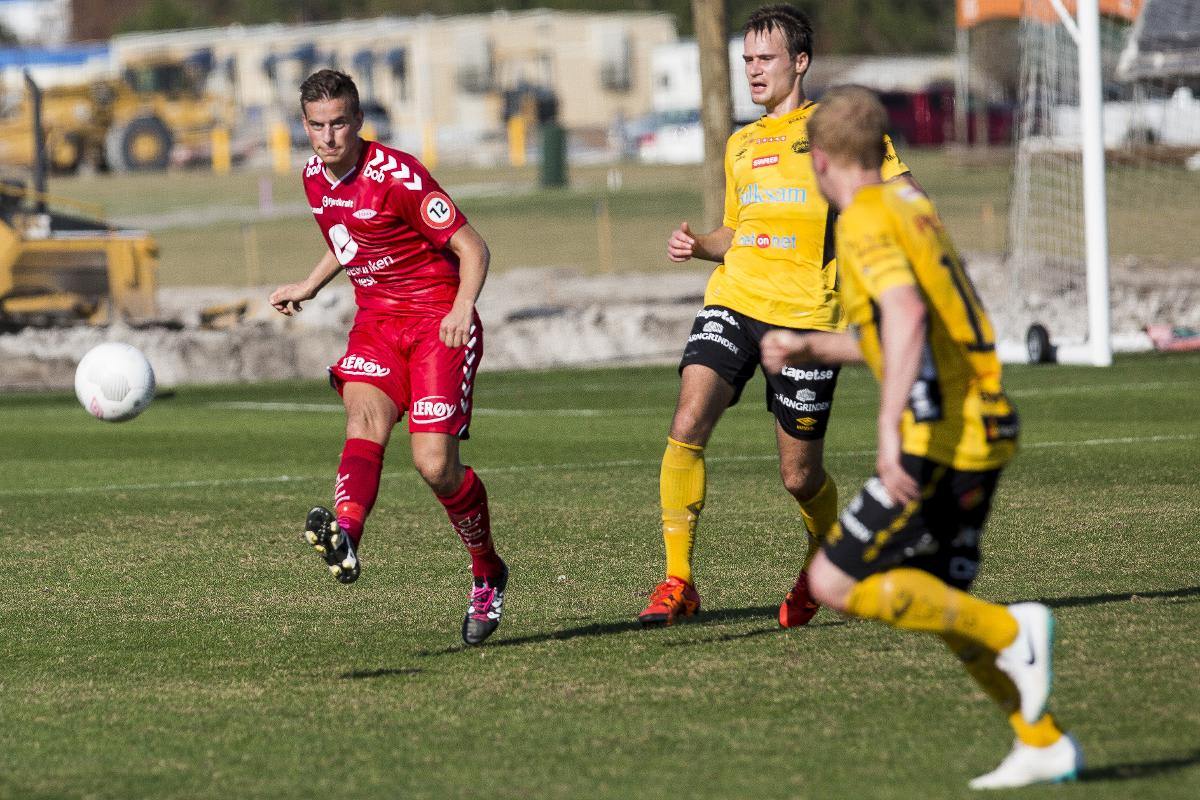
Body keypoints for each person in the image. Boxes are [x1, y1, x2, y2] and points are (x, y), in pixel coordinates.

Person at [760, 85, 1082, 789]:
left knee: (833, 580)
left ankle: (1015, 631)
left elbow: (904, 316)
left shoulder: (863, 219)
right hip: (983, 426)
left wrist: (887, 429)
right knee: (940, 604)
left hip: (941, 436)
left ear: (820, 161)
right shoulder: (910, 204)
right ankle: (1042, 740)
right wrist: (811, 345)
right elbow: (904, 329)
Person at [639, 4, 914, 628]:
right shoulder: (741, 143)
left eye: (765, 58)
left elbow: (903, 195)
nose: (753, 70)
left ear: (800, 61)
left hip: (807, 320)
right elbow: (736, 231)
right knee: (688, 417)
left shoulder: (838, 131)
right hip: (734, 300)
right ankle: (678, 580)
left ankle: (823, 561)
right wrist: (698, 244)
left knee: (799, 477)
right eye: (746, 60)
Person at [269, 69, 508, 647]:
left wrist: (462, 307)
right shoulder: (313, 177)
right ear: (305, 126)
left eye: (339, 124)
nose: (329, 137)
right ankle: (346, 535)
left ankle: (487, 570)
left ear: (358, 120)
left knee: (434, 466)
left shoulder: (397, 176)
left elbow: (473, 247)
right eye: (317, 126)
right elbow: (347, 239)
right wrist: (309, 285)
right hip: (376, 323)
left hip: (436, 321)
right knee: (363, 416)